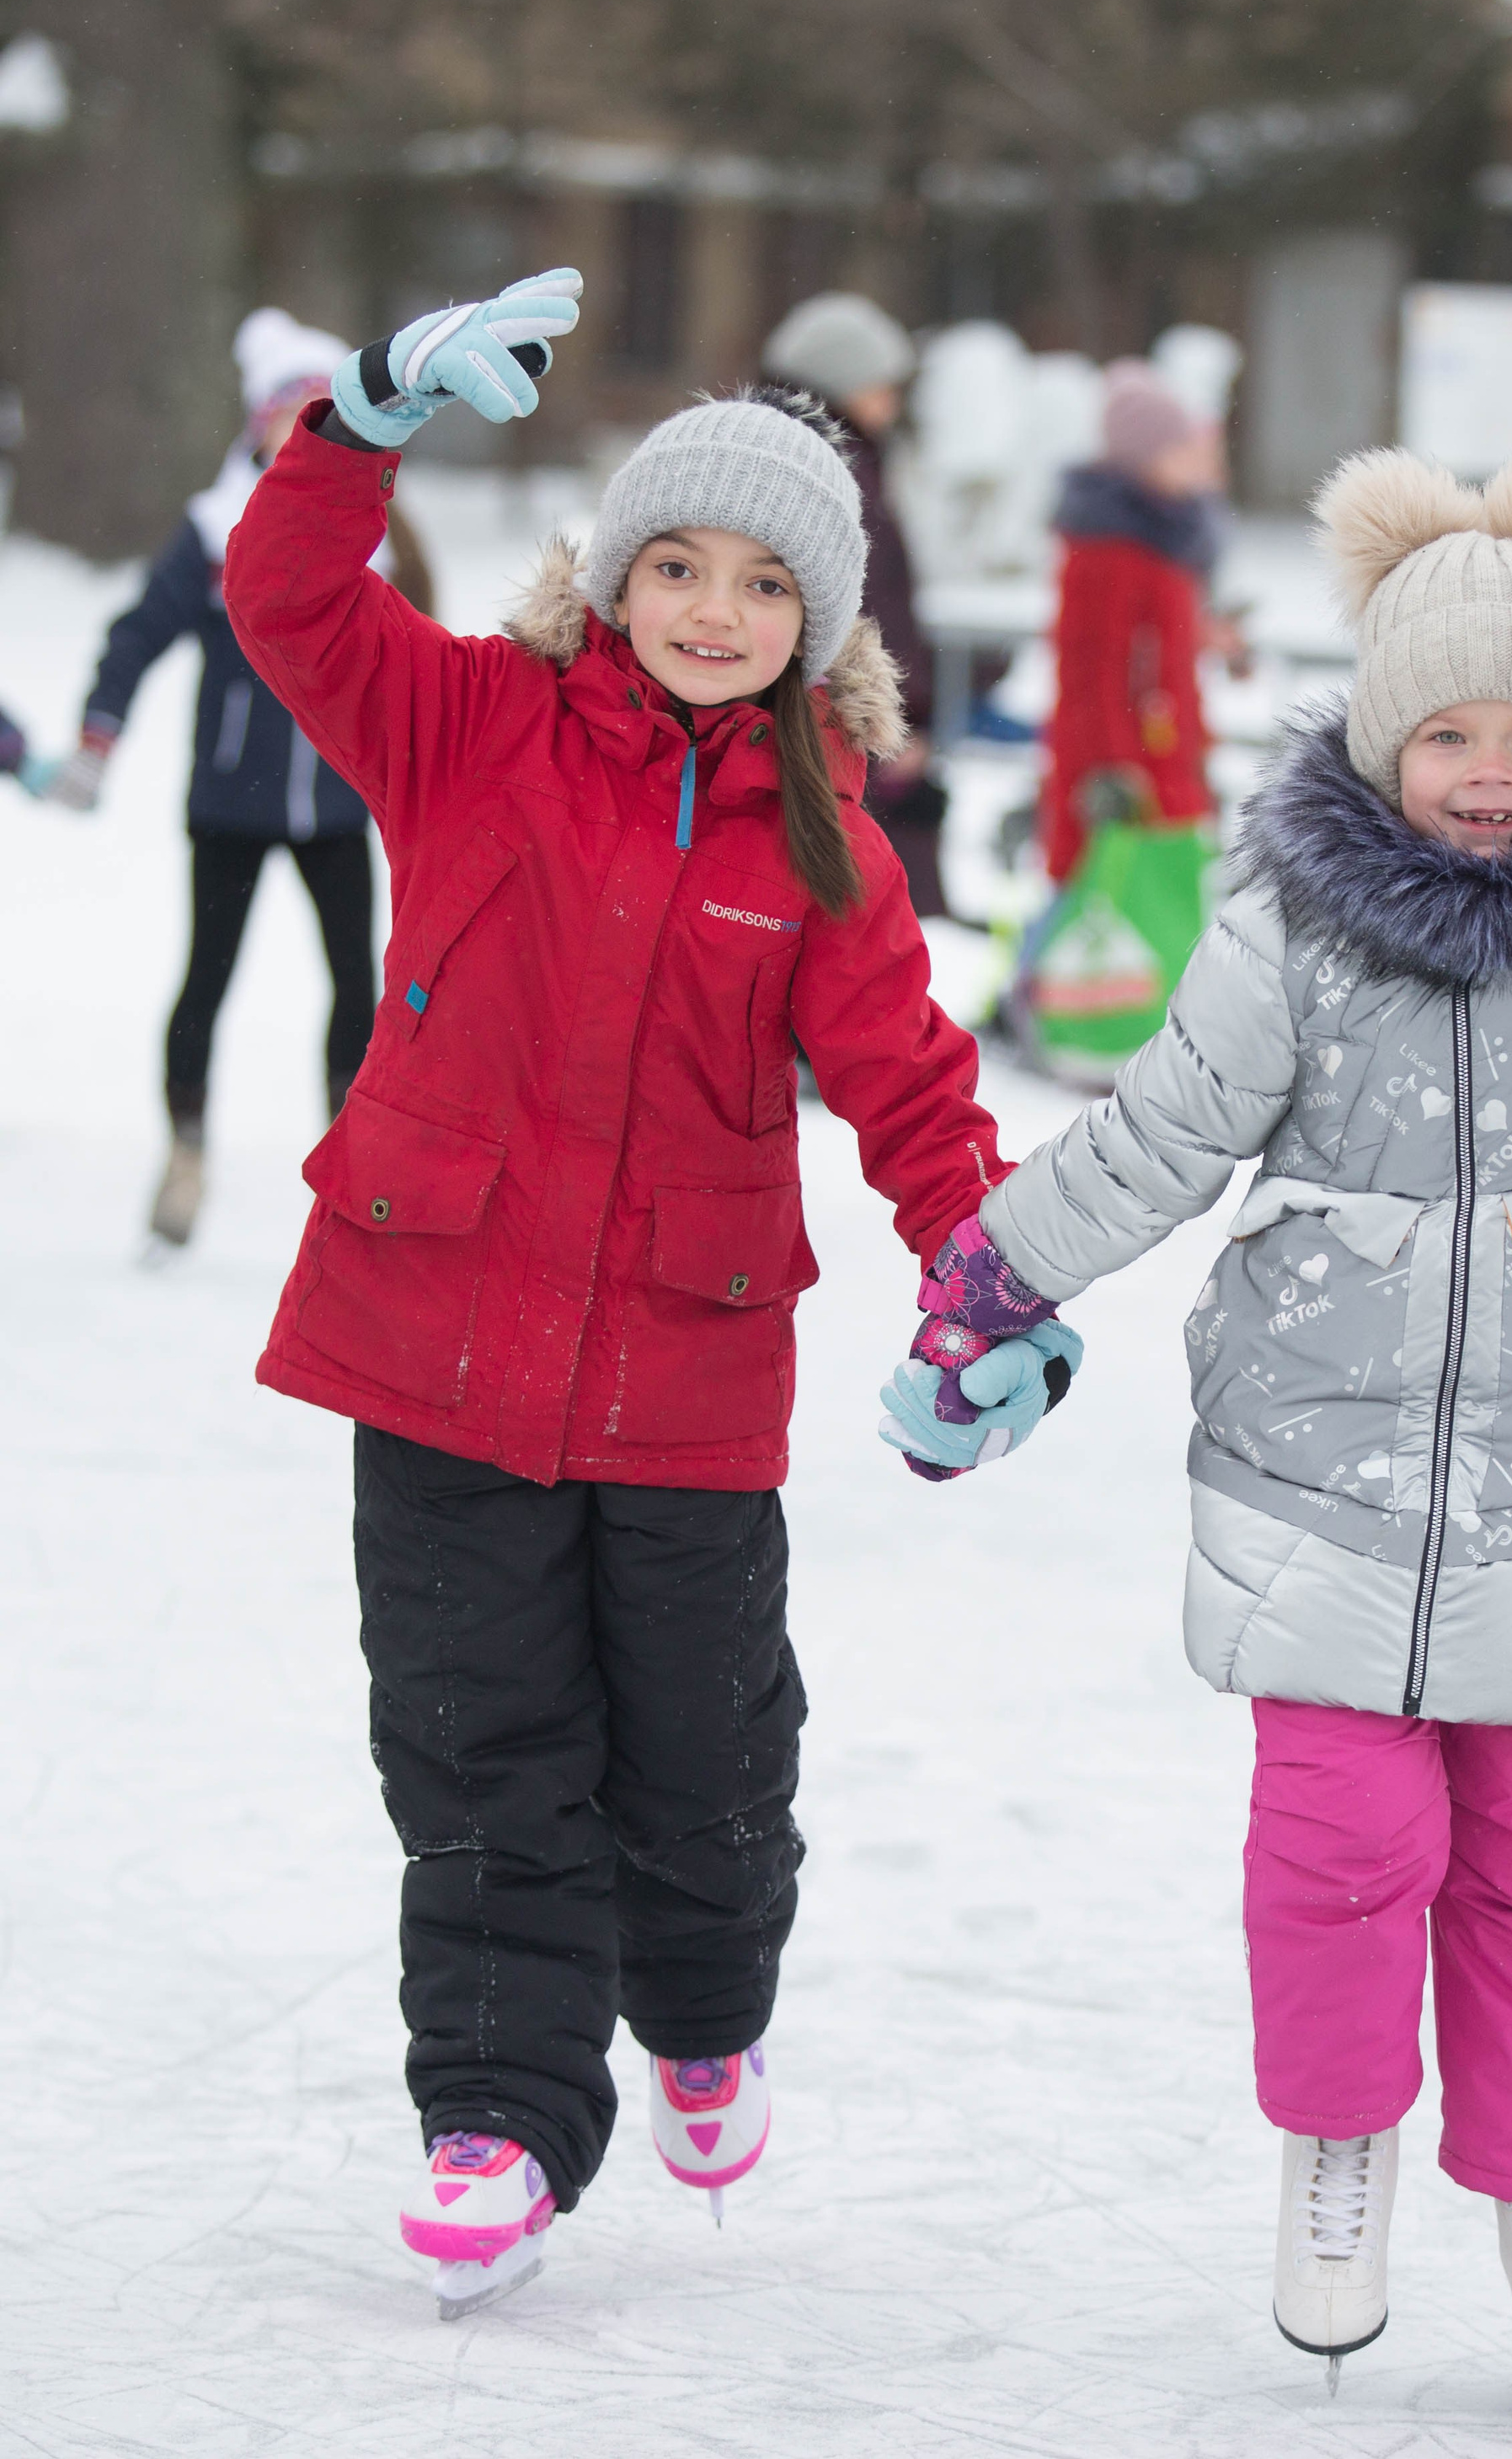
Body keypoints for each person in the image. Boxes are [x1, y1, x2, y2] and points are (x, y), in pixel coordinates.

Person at [880, 449, 1512, 2416]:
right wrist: (990, 1281)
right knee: (1342, 1842)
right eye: (1445, 731)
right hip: (1316, 1473)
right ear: (1378, 743)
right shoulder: (1293, 934)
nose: (1491, 768)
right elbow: (1163, 1131)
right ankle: (1334, 2148)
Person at [220, 270, 1078, 2316]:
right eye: (671, 565)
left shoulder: (822, 843)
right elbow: (290, 604)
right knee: (477, 1753)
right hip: (432, 1352)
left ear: (817, 627)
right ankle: (500, 2121)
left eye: (760, 585)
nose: (711, 609)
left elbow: (911, 1084)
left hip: (684, 1383)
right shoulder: (469, 732)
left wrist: (993, 1279)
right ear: (607, 581)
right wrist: (357, 416)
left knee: (700, 1766)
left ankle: (700, 2008)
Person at [40, 307, 434, 1250]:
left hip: (340, 803)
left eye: (313, 407)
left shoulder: (379, 536)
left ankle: (356, 1163)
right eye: (281, 409)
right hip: (231, 803)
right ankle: (185, 1149)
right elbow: (135, 635)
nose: (293, 422)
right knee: (206, 981)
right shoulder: (217, 532)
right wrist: (100, 735)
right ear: (257, 420)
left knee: (358, 982)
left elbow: (428, 669)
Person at [762, 290, 947, 917]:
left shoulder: (803, 457)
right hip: (848, 722)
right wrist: (908, 714)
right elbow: (875, 605)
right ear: (841, 383)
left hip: (824, 718)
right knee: (865, 906)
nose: (892, 400)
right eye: (881, 383)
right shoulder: (842, 472)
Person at [1039, 357, 1226, 885]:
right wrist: (1115, 770)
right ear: (1146, 457)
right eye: (1180, 449)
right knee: (1107, 912)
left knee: (1153, 919)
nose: (1196, 463)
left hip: (1162, 758)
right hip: (1126, 774)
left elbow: (1164, 651)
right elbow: (1094, 670)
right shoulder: (1110, 551)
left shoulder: (1161, 539)